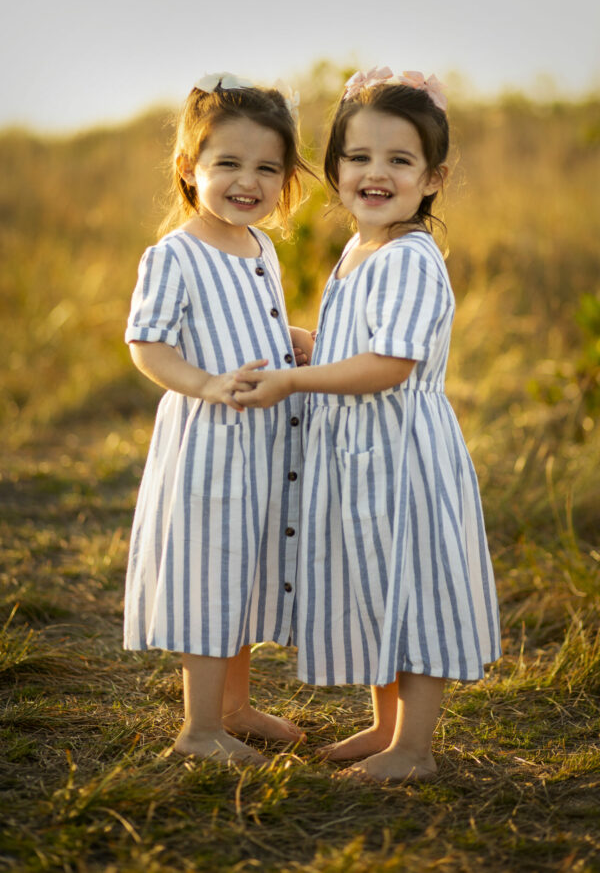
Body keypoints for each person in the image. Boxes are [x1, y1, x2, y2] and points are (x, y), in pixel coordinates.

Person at [234, 67, 501, 782]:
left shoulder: (411, 259)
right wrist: (308, 344)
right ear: (334, 169)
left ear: (433, 175)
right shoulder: (359, 250)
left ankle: (414, 750)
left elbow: (388, 366)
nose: (375, 173)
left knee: (413, 592)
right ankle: (386, 728)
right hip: (361, 460)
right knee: (381, 588)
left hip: (404, 459)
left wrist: (294, 378)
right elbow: (356, 349)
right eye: (358, 157)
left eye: (399, 160)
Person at [123, 73, 314, 765]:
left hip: (262, 444)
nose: (248, 182)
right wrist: (203, 383)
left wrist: (288, 336)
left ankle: (233, 707)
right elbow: (148, 344)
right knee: (209, 576)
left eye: (267, 167)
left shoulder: (258, 245)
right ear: (188, 169)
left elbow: (244, 318)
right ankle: (199, 730)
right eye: (227, 163)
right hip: (209, 445)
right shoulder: (175, 254)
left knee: (242, 571)